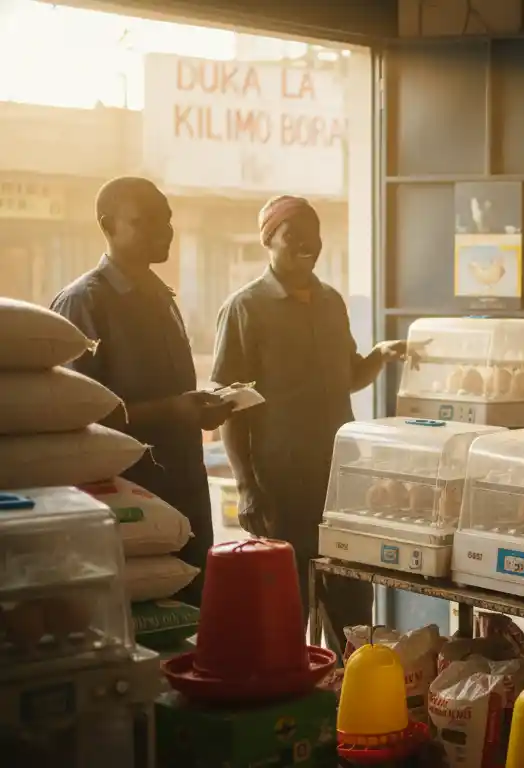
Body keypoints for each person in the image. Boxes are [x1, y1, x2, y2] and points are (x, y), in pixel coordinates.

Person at [213, 195, 408, 635]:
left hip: (340, 478)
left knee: (351, 598)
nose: (307, 244)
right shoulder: (245, 308)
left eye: (313, 235)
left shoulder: (330, 302)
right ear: (269, 240)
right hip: (280, 483)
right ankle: (292, 691)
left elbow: (350, 376)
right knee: (287, 604)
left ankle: (346, 687)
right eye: (292, 235)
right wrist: (246, 485)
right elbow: (229, 405)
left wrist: (380, 355)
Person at [50, 177, 233, 606]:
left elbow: (172, 395)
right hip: (125, 499)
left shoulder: (162, 297)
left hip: (183, 487)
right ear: (107, 226)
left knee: (191, 620)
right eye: (145, 221)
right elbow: (75, 417)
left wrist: (199, 410)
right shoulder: (84, 303)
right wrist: (171, 411)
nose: (162, 231)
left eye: (166, 220)